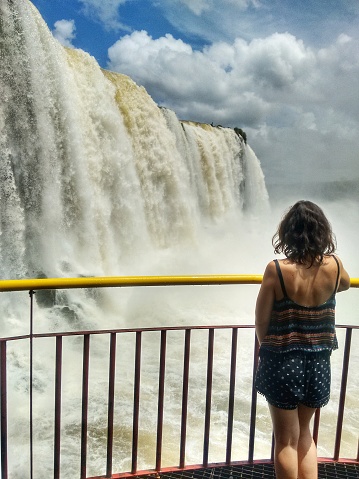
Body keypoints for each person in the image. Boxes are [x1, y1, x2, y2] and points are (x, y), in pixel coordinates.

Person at [255, 200, 350, 479]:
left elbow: (262, 320)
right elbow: (344, 283)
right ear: (322, 232)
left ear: (288, 233)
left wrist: (269, 351)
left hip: (283, 363)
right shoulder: (334, 265)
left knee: (286, 440)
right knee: (305, 434)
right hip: (318, 364)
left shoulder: (277, 270)